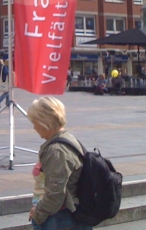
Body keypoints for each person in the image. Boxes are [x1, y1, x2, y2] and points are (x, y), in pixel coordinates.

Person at [27, 96, 92, 230]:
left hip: (58, 218)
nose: (34, 127)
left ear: (45, 122)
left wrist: (38, 214)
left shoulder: (57, 151)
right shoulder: (67, 138)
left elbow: (55, 194)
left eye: (35, 122)